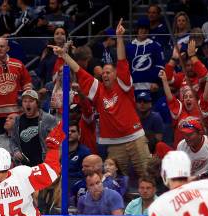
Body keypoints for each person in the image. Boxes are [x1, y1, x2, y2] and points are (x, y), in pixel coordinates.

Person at [51, 19, 151, 178]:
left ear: (116, 74)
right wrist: (64, 55)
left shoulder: (123, 84)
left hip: (135, 137)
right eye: (103, 72)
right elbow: (79, 70)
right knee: (115, 181)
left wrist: (119, 38)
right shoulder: (98, 89)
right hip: (113, 143)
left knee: (147, 176)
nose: (105, 74)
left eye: (108, 72)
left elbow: (122, 61)